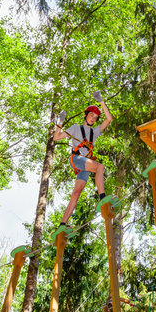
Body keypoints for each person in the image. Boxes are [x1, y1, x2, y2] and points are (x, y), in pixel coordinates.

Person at [53, 91, 112, 235]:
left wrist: (101, 101)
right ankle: (102, 197)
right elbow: (56, 137)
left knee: (76, 193)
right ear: (86, 115)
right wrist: (60, 121)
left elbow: (109, 119)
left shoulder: (95, 132)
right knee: (100, 167)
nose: (93, 118)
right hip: (77, 159)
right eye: (91, 115)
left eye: (96, 117)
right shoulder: (75, 128)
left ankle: (62, 224)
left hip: (84, 165)